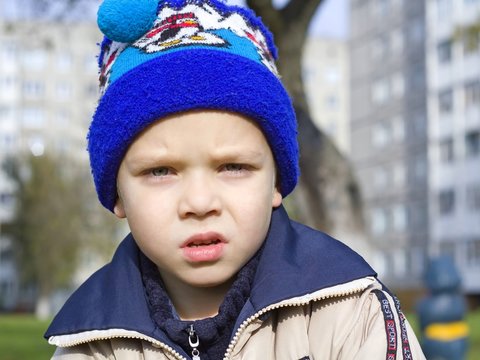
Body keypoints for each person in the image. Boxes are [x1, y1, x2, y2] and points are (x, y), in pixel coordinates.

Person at [45, 0, 426, 358]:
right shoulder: (92, 345)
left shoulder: (351, 313)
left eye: (233, 167)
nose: (199, 203)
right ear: (118, 196)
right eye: (160, 171)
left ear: (276, 181)